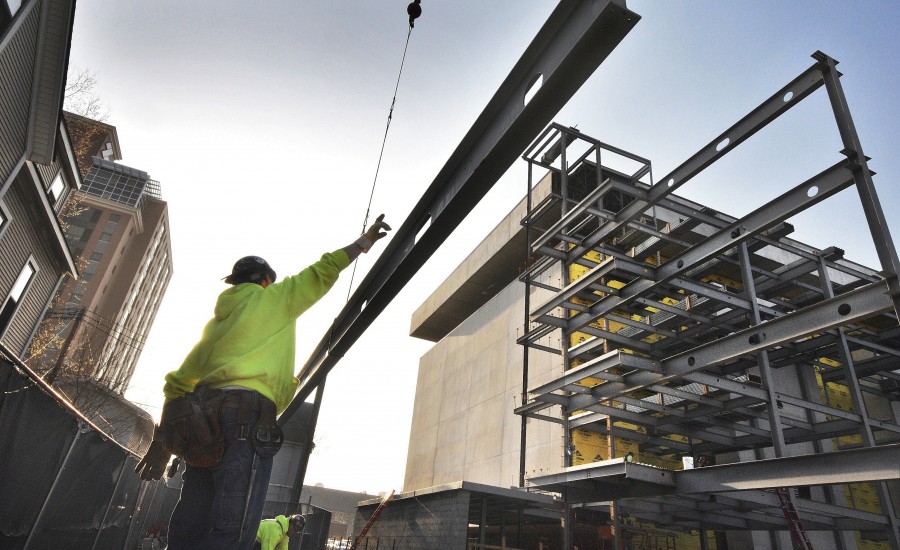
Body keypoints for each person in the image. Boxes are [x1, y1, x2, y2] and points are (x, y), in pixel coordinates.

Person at [136, 214, 391, 550]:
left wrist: (163, 440)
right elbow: (321, 271)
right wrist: (364, 242)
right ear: (267, 280)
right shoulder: (275, 299)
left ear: (234, 284)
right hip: (247, 417)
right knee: (233, 528)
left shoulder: (216, 327)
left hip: (203, 424)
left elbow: (179, 382)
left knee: (193, 518)